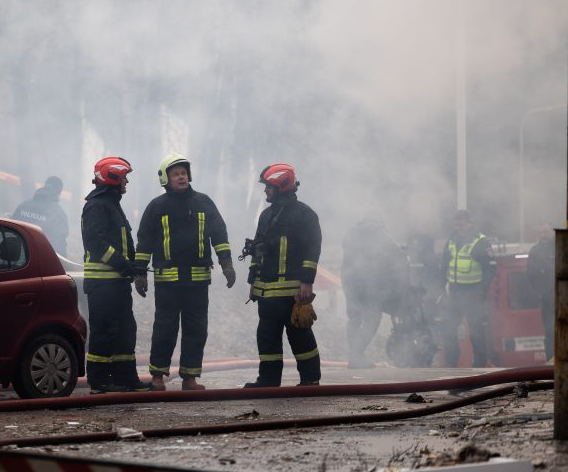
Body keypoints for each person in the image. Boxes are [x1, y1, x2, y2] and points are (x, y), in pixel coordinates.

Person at [133, 153, 235, 392]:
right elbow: (144, 241)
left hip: (198, 282)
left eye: (184, 173)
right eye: (176, 174)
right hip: (167, 282)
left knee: (196, 330)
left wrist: (226, 263)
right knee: (164, 329)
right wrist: (140, 272)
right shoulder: (156, 207)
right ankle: (157, 376)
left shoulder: (204, 202)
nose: (181, 177)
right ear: (165, 179)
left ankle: (190, 378)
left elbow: (219, 235)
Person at [244, 163, 322, 387]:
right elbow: (258, 250)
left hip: (292, 292)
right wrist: (253, 281)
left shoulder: (305, 215)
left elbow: (312, 249)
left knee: (300, 335)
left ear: (281, 185)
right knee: (267, 336)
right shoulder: (266, 215)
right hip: (267, 292)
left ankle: (310, 380)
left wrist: (307, 281)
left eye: (269, 186)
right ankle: (268, 380)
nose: (265, 190)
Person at [81, 157, 150, 393]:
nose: (127, 182)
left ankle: (125, 379)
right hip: (103, 284)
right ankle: (99, 382)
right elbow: (96, 244)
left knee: (125, 331)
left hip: (116, 284)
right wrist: (125, 265)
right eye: (125, 177)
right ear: (113, 177)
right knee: (104, 331)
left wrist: (132, 267)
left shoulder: (111, 203)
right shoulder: (97, 206)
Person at [341, 215, 408, 368]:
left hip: (350, 282)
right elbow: (397, 255)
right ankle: (357, 354)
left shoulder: (351, 233)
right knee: (372, 319)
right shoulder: (380, 233)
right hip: (371, 285)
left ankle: (355, 357)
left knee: (354, 318)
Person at [440, 209, 496, 368]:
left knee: (476, 333)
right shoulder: (451, 240)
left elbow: (491, 269)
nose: (459, 225)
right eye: (457, 222)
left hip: (474, 294)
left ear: (470, 223)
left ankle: (479, 367)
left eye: (462, 222)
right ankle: (451, 365)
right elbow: (444, 265)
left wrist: (481, 291)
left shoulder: (480, 241)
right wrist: (441, 289)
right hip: (455, 293)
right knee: (449, 331)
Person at [13, 175, 69, 256]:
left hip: (19, 259)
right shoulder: (59, 214)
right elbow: (59, 245)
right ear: (59, 193)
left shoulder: (23, 206)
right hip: (40, 260)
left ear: (45, 186)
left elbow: (12, 232)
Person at [527, 223, 555, 361]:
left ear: (553, 232)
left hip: (564, 298)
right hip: (548, 300)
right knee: (550, 332)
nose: (544, 236)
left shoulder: (562, 246)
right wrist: (541, 292)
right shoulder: (535, 251)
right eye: (541, 233)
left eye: (546, 232)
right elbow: (531, 275)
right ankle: (551, 363)